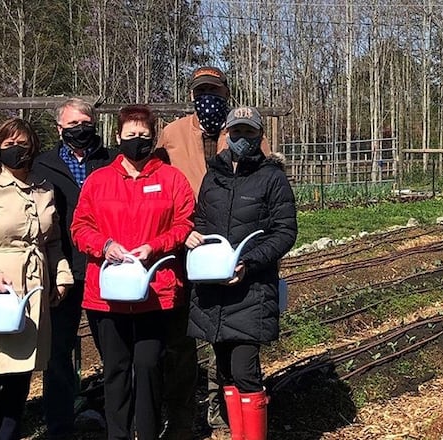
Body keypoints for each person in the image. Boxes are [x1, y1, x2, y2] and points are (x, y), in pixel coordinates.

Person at [156, 66, 272, 435]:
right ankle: (183, 416)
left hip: (234, 254)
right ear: (192, 96)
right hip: (184, 248)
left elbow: (269, 189)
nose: (209, 99)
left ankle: (226, 412)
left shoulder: (243, 133)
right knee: (182, 337)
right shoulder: (171, 135)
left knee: (230, 338)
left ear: (226, 94)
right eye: (202, 91)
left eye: (216, 92)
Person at [71, 104, 195, 439]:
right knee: (116, 369)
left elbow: (185, 223)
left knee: (149, 364)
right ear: (117, 137)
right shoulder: (99, 181)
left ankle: (149, 431)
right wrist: (105, 245)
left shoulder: (171, 179)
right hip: (108, 294)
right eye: (130, 135)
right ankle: (118, 434)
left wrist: (155, 246)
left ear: (153, 138)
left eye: (143, 135)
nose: (136, 140)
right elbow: (80, 226)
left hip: (156, 291)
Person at [0, 118, 74, 440]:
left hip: (32, 291)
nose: (17, 150)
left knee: (20, 378)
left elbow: (52, 241)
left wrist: (61, 277)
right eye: (9, 145)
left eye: (22, 144)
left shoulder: (44, 189)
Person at [186, 107, 297, 440]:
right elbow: (203, 220)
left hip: (251, 289)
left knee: (245, 369)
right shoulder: (213, 176)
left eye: (250, 133)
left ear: (260, 137)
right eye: (237, 132)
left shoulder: (271, 177)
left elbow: (284, 231)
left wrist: (249, 262)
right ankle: (239, 434)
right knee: (224, 371)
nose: (242, 139)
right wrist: (194, 235)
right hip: (213, 289)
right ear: (227, 135)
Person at [32, 97, 116, 439]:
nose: (80, 130)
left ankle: (118, 422)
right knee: (58, 355)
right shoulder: (43, 166)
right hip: (62, 271)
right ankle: (60, 427)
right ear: (59, 129)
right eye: (72, 125)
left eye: (86, 123)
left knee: (114, 350)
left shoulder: (111, 160)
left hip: (106, 268)